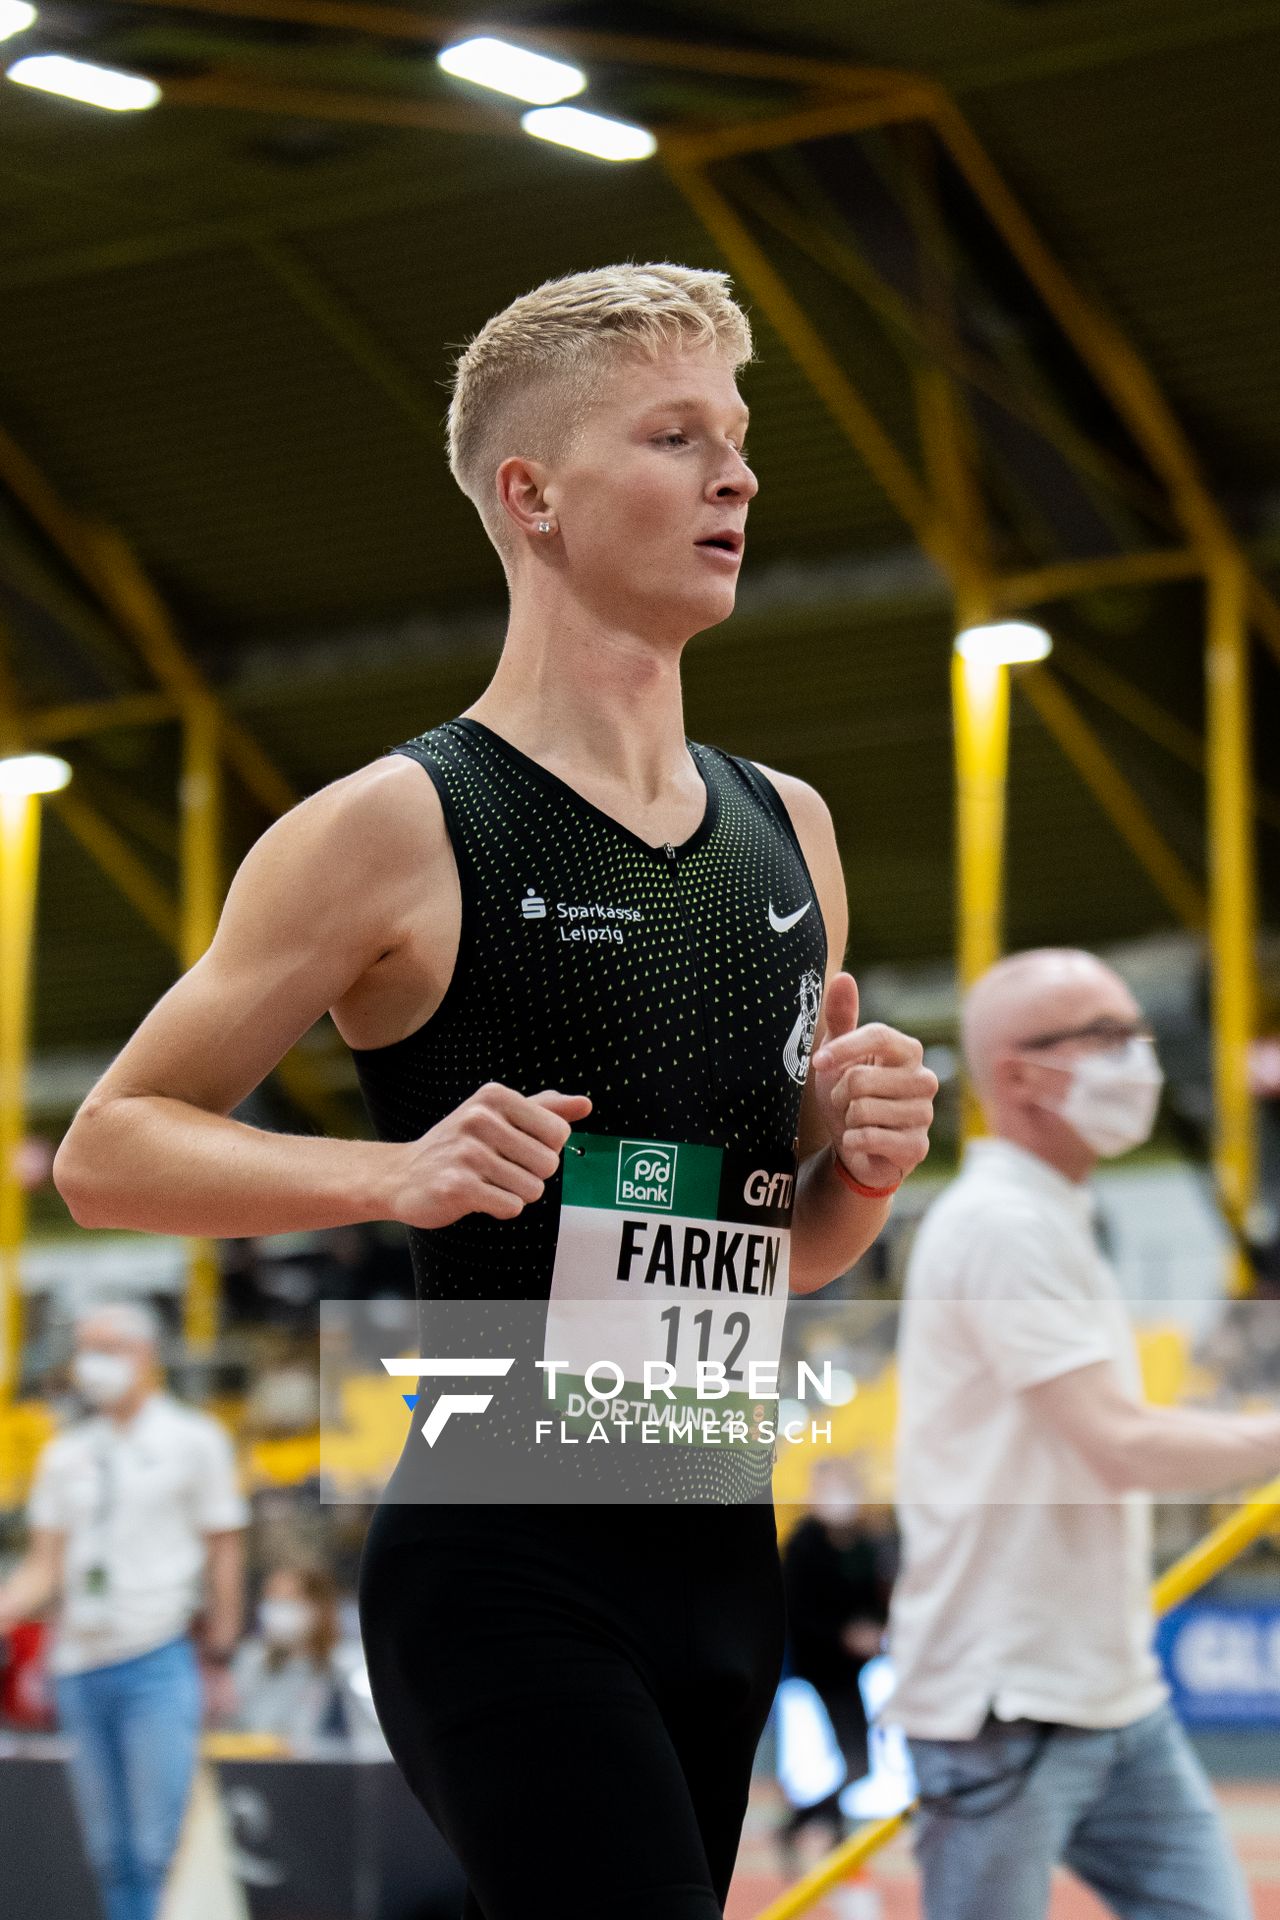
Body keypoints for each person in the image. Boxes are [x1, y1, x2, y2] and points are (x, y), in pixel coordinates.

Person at [50, 263, 938, 1918]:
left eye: (738, 438)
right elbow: (105, 1151)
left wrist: (863, 1175)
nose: (737, 476)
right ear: (530, 495)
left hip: (716, 1539)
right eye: (676, 437)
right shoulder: (393, 827)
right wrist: (388, 1179)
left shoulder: (791, 827)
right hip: (507, 1554)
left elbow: (786, 1256)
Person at [887, 947, 1280, 1920]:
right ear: (1017, 1072)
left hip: (1110, 1693)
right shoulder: (1001, 1226)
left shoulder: (1054, 1214)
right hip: (1005, 1703)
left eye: (1133, 1033)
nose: (1136, 1058)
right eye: (1103, 1036)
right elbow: (1118, 1443)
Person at [0, 1300, 247, 1920]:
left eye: (109, 1347)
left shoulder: (195, 1440)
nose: (93, 1364)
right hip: (80, 1661)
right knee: (110, 1847)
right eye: (86, 1348)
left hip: (158, 1656)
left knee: (156, 1841)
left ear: (146, 1356)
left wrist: (221, 1641)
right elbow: (43, 1565)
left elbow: (225, 1545)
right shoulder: (65, 1454)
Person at [780, 1457, 894, 1858]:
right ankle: (808, 1824)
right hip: (811, 1674)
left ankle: (814, 1824)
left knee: (859, 1764)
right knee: (848, 1761)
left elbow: (881, 1599)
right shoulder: (803, 1544)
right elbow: (794, 1611)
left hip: (850, 1672)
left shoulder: (867, 1544)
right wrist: (843, 1634)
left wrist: (873, 1630)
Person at [231, 1563, 347, 1743]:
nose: (276, 1610)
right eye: (271, 1599)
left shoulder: (339, 1668)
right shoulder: (250, 1658)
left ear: (317, 1607)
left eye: (288, 1600)